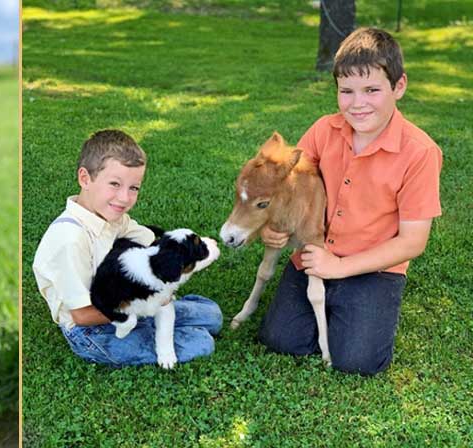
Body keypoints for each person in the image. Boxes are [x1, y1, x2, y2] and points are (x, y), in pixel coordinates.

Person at [258, 27, 442, 375]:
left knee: (356, 361)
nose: (357, 104)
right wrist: (273, 228)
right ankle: (329, 305)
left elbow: (413, 241)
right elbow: (291, 187)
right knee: (280, 341)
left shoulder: (420, 153)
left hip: (373, 266)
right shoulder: (324, 130)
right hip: (314, 253)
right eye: (347, 92)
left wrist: (340, 268)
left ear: (398, 86)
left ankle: (350, 306)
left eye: (372, 90)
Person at [32, 130, 222, 367]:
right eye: (114, 184)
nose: (124, 198)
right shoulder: (69, 239)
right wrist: (151, 303)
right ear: (85, 178)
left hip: (132, 301)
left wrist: (198, 249)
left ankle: (156, 318)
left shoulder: (113, 218)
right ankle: (154, 325)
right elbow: (81, 315)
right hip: (93, 330)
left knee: (213, 315)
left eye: (134, 188)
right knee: (202, 342)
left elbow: (153, 243)